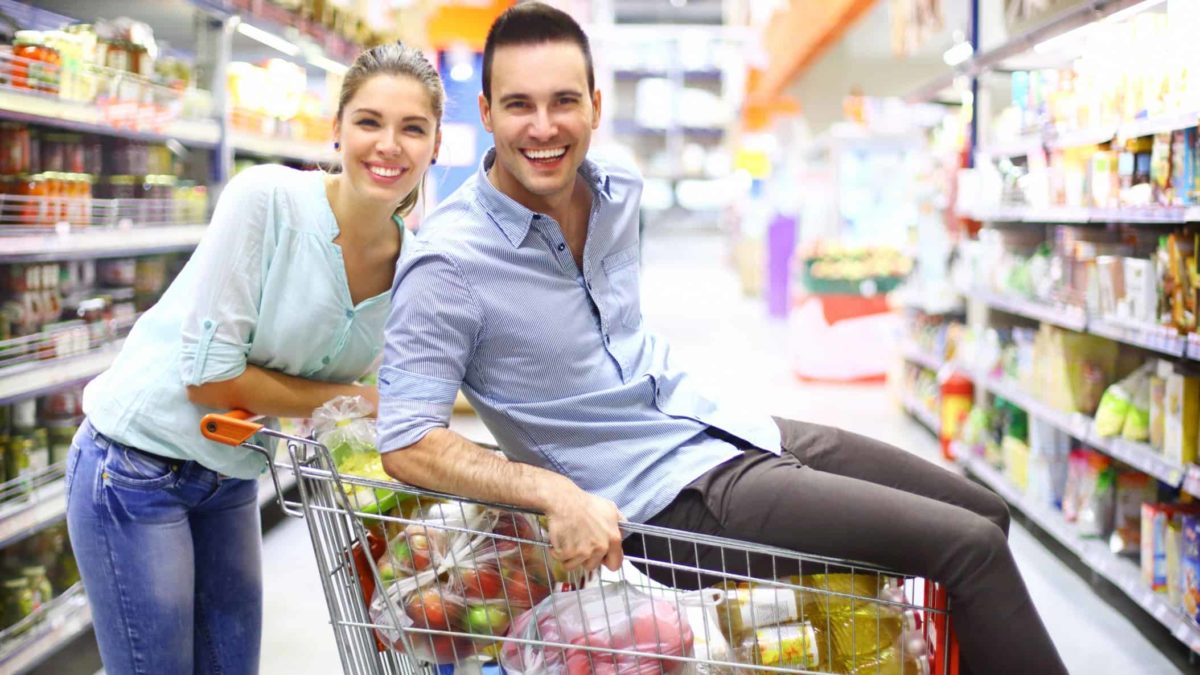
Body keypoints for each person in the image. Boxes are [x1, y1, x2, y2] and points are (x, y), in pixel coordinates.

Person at [376, 4, 1066, 674]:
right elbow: (407, 439)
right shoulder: (450, 262)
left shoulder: (616, 188)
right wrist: (555, 491)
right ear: (487, 113)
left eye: (564, 101)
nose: (545, 127)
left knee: (985, 511)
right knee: (970, 549)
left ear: (595, 102)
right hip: (667, 500)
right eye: (520, 105)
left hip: (719, 425)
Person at [65, 43, 442, 674]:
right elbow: (209, 379)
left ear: (435, 146)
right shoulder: (266, 199)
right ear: (337, 130)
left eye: (413, 128)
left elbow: (389, 401)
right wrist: (360, 401)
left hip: (232, 472)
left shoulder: (415, 267)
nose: (389, 145)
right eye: (369, 122)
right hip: (134, 464)